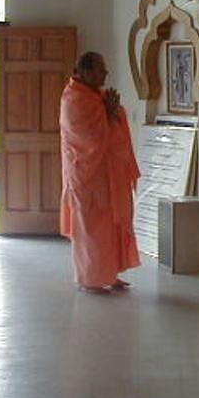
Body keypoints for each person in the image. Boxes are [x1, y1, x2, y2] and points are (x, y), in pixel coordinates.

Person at [59, 52, 140, 294]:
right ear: (85, 72)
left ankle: (110, 274)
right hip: (87, 176)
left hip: (108, 174)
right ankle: (90, 279)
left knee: (110, 226)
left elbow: (113, 124)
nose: (106, 73)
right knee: (91, 229)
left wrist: (112, 113)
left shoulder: (98, 96)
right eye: (100, 69)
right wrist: (108, 113)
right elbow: (87, 138)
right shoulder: (73, 99)